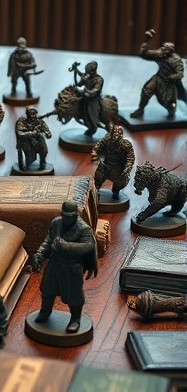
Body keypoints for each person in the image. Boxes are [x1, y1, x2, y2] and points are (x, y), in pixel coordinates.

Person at [31, 200, 97, 333]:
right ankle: (45, 311)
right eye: (65, 215)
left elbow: (88, 245)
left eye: (70, 216)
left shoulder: (83, 228)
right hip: (54, 263)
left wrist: (67, 246)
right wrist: (40, 254)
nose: (67, 218)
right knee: (47, 290)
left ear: (76, 215)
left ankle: (75, 318)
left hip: (71, 266)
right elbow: (48, 240)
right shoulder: (56, 223)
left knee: (73, 296)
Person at [129, 29, 187, 118]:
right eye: (162, 48)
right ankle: (140, 109)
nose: (162, 50)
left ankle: (171, 110)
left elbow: (180, 74)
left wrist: (172, 77)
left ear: (169, 51)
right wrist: (147, 40)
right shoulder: (160, 54)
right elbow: (144, 54)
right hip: (158, 78)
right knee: (146, 90)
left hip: (168, 82)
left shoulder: (176, 60)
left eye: (164, 49)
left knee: (165, 101)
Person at [91, 125, 135, 198]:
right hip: (106, 165)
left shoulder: (125, 145)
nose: (114, 138)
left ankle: (115, 192)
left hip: (119, 168)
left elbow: (130, 158)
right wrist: (95, 152)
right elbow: (99, 145)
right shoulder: (107, 140)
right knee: (98, 178)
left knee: (120, 182)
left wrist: (127, 168)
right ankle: (96, 191)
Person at [15, 106, 51, 171]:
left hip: (37, 139)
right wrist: (32, 132)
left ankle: (42, 163)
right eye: (31, 114)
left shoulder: (38, 119)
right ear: (27, 114)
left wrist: (47, 132)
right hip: (26, 140)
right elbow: (20, 133)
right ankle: (27, 167)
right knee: (29, 156)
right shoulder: (21, 121)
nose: (33, 116)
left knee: (44, 150)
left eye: (35, 114)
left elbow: (44, 126)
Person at [74, 61, 104, 136]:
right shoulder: (86, 76)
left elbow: (95, 90)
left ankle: (95, 125)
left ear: (93, 71)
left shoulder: (99, 79)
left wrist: (87, 91)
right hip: (85, 95)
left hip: (93, 99)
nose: (86, 73)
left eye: (88, 71)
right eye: (86, 71)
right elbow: (80, 82)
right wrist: (76, 69)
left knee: (91, 113)